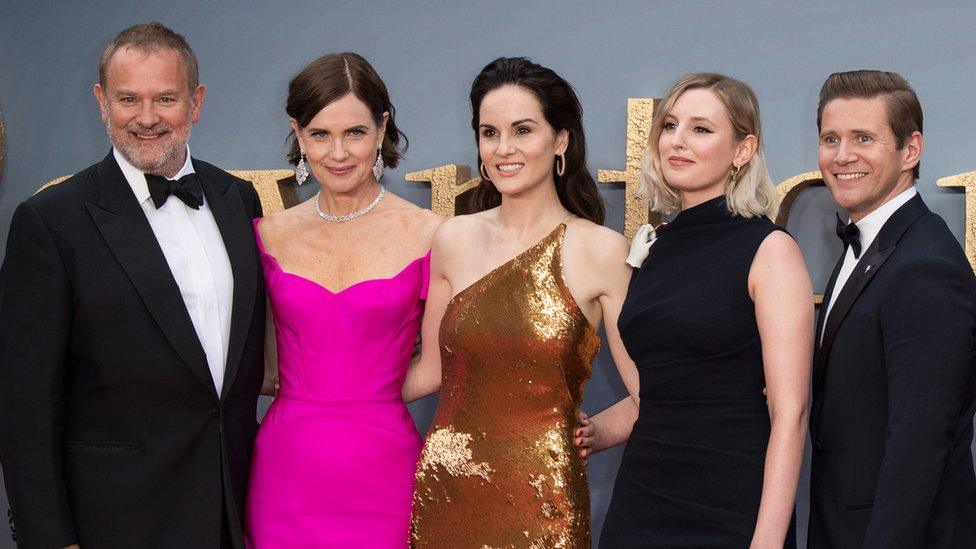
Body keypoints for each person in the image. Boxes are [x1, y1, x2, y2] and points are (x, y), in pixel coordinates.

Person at [0, 23, 265, 549]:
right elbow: (24, 404)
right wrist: (50, 538)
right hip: (115, 521)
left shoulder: (238, 199)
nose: (146, 118)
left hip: (231, 509)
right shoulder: (51, 222)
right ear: (102, 102)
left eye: (165, 98)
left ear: (196, 103)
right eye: (128, 99)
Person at [404, 57, 638, 548]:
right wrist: (320, 393)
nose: (503, 149)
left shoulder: (601, 250)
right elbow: (430, 371)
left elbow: (653, 393)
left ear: (560, 141)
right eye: (489, 133)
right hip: (447, 490)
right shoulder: (453, 238)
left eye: (523, 130)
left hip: (545, 501)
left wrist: (600, 431)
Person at [584, 73, 812, 548]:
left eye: (701, 129)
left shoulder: (769, 250)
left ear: (743, 150)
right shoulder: (657, 250)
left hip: (729, 504)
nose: (677, 141)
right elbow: (664, 393)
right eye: (670, 126)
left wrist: (767, 542)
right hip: (641, 501)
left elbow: (790, 414)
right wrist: (590, 432)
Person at [244, 52, 441, 547]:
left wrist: (365, 400)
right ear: (297, 132)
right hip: (284, 473)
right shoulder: (267, 234)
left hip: (385, 469)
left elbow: (439, 366)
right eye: (319, 134)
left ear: (382, 127)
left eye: (354, 132)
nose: (337, 152)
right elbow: (261, 363)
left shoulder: (432, 234)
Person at [808, 70, 976, 548]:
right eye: (830, 138)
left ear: (911, 150)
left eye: (864, 138)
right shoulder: (872, 245)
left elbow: (918, 446)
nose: (842, 156)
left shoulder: (924, 266)